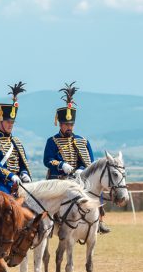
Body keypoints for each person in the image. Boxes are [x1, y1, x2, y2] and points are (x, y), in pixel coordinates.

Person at [43, 82, 107, 233]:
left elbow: (90, 163)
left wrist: (81, 170)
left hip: (79, 179)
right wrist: (61, 165)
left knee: (97, 189)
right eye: (66, 124)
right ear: (59, 124)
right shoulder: (52, 141)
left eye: (71, 124)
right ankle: (49, 223)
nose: (69, 127)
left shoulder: (82, 141)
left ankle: (100, 221)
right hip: (59, 179)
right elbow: (47, 160)